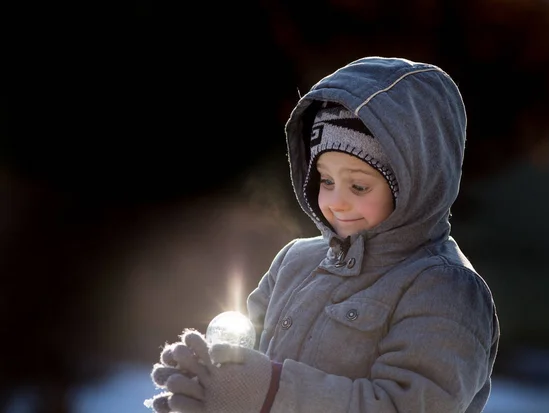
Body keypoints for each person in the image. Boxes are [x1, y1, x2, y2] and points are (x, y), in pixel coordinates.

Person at [146, 56, 500, 413]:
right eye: (326, 181)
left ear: (417, 184)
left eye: (359, 186)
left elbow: (403, 406)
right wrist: (213, 389)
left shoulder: (445, 291)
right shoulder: (295, 261)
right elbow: (244, 366)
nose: (336, 202)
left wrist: (267, 391)